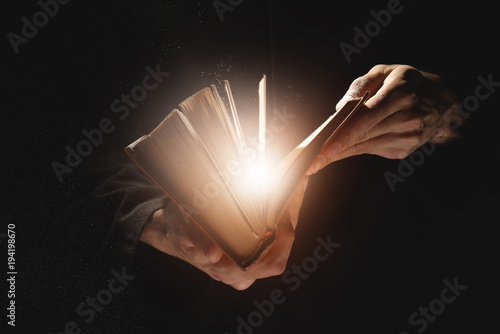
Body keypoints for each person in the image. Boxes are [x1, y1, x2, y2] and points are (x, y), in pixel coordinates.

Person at [132, 64, 463, 290]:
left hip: (393, 266)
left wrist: (445, 109)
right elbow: (87, 160)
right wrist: (154, 223)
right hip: (196, 310)